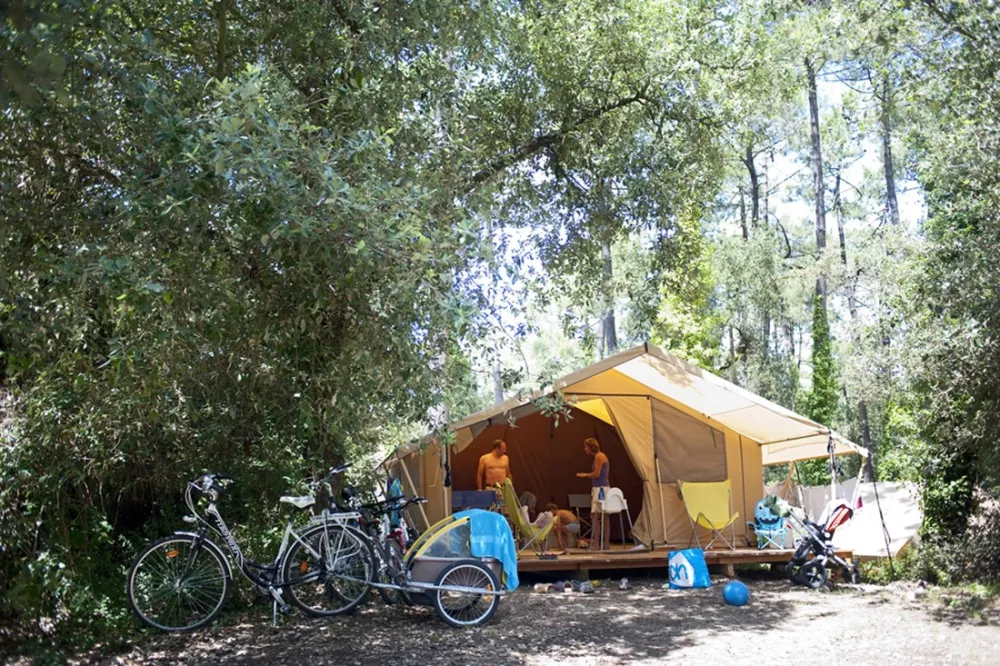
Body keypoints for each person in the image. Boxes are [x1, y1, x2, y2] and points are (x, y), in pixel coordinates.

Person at [576, 437, 609, 550]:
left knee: (595, 516)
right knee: (604, 517)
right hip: (603, 488)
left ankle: (596, 543)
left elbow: (596, 474)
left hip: (600, 489)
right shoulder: (600, 456)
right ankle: (605, 543)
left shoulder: (599, 457)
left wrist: (584, 475)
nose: (585, 449)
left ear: (591, 447)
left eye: (586, 447)